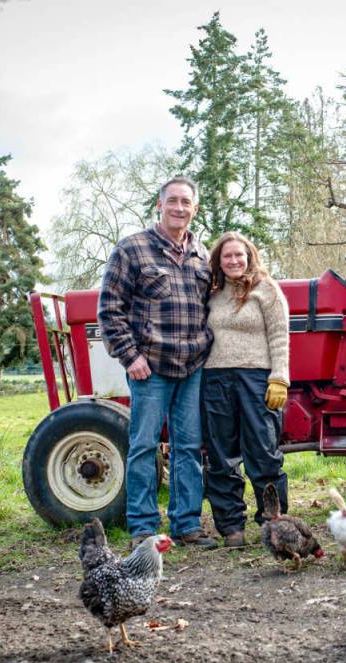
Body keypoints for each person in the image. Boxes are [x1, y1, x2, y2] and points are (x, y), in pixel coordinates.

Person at [98, 176, 218, 549]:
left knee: (188, 447)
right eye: (173, 201)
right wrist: (129, 355)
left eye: (187, 202)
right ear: (159, 204)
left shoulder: (203, 256)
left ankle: (186, 525)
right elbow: (109, 310)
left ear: (195, 209)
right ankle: (144, 529)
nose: (179, 208)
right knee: (144, 446)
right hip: (149, 367)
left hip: (192, 365)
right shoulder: (132, 250)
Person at [201, 231, 290, 548]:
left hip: (256, 379)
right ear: (219, 261)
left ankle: (274, 523)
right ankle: (231, 528)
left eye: (240, 255)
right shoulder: (212, 293)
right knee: (221, 456)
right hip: (215, 379)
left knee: (263, 453)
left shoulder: (266, 290)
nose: (234, 260)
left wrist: (279, 376)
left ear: (250, 256)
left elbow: (280, 335)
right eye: (227, 256)